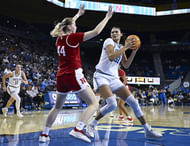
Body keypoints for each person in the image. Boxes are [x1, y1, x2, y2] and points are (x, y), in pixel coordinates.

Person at [39, 5, 113, 143]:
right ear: (70, 28)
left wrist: (77, 15)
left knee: (57, 107)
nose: (76, 26)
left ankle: (44, 134)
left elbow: (67, 23)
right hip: (73, 74)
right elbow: (96, 31)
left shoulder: (59, 38)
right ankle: (78, 129)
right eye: (75, 25)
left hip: (61, 76)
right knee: (94, 104)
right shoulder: (72, 38)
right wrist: (107, 17)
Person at [86, 27, 162, 139]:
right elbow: (111, 57)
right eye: (112, 32)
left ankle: (147, 130)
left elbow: (126, 65)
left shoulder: (121, 47)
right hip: (101, 76)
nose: (114, 34)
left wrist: (134, 52)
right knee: (112, 104)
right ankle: (92, 124)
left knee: (134, 102)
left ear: (121, 34)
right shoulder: (108, 41)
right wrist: (126, 47)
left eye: (116, 32)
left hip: (114, 78)